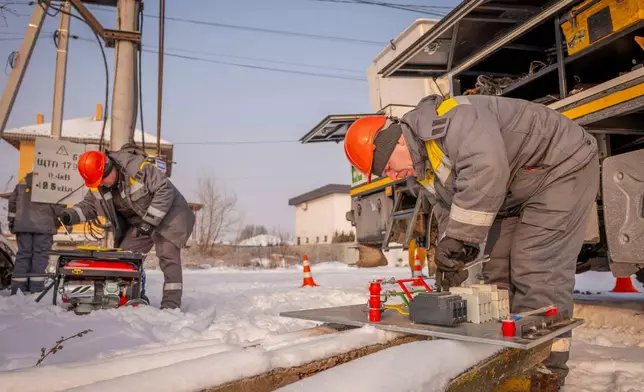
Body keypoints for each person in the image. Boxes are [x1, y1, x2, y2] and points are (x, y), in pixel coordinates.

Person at [343, 94, 599, 387]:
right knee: (494, 275)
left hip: (559, 167)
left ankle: (544, 371)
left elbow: (486, 168)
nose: (391, 175)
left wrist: (462, 238)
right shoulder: (422, 172)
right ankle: (505, 357)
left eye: (386, 167)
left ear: (396, 142)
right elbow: (448, 210)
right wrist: (453, 251)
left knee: (537, 268)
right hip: (514, 190)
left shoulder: (452, 120)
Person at [57, 146, 195, 310]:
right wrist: (70, 215)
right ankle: (125, 297)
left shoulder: (136, 167)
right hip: (142, 222)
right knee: (124, 258)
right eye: (98, 181)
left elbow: (164, 189)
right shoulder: (100, 184)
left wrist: (150, 220)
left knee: (167, 256)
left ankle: (171, 306)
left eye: (103, 179)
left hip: (170, 215)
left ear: (110, 167)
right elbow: (89, 206)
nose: (101, 183)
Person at [8, 172, 64, 295]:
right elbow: (58, 206)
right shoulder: (52, 181)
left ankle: (18, 289)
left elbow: (12, 203)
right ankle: (36, 290)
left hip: (23, 225)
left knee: (23, 255)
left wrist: (12, 222)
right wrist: (65, 222)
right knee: (40, 256)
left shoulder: (23, 181)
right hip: (44, 226)